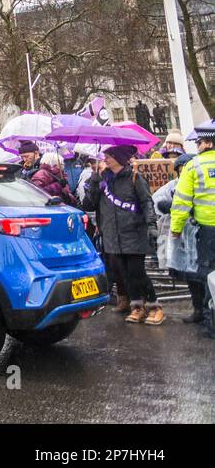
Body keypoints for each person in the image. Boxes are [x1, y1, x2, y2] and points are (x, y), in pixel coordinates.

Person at [82, 145, 163, 326]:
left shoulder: (135, 177)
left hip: (133, 233)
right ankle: (137, 307)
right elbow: (88, 204)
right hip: (112, 234)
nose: (105, 158)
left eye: (109, 155)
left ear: (119, 157)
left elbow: (147, 202)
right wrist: (94, 184)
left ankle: (154, 307)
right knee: (125, 274)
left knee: (138, 273)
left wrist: (151, 225)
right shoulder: (103, 180)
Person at [169, 123, 215, 338]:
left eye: (199, 142)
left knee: (209, 276)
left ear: (208, 143)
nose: (197, 146)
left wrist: (176, 229)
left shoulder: (193, 166)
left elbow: (181, 202)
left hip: (208, 232)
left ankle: (211, 322)